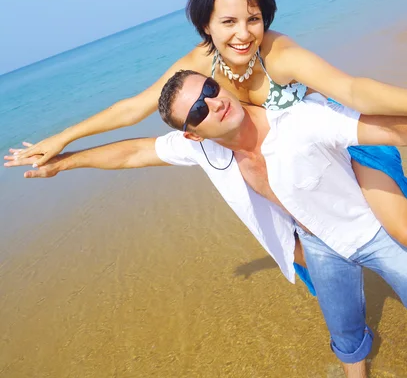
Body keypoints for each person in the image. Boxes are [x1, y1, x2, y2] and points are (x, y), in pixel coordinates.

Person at [6, 70, 407, 378]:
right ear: (192, 135)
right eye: (198, 111)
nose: (213, 104)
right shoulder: (207, 152)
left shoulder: (297, 118)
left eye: (210, 90)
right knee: (344, 329)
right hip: (318, 244)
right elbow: (133, 153)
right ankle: (357, 366)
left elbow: (382, 126)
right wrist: (63, 161)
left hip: (370, 229)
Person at [11, 0, 407, 251]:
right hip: (286, 172)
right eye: (229, 22)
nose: (244, 33)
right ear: (207, 25)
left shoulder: (277, 51)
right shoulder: (200, 63)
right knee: (304, 251)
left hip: (339, 141)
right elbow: (134, 109)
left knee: (398, 230)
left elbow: (353, 89)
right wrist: (63, 140)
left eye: (254, 19)